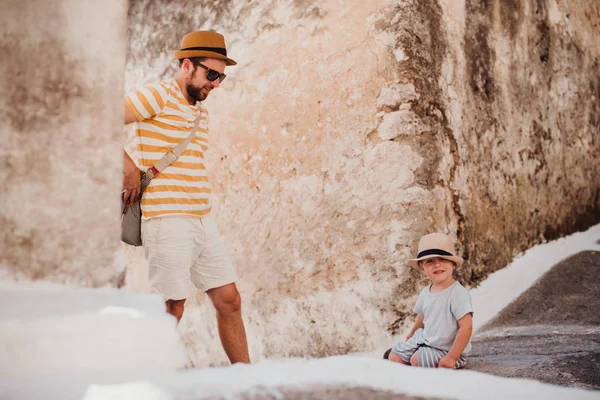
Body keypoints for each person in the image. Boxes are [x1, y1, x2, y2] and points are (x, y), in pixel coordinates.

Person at [122, 31, 250, 364]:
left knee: (229, 300)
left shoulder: (200, 111)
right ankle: (148, 378)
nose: (217, 83)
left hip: (202, 218)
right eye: (211, 74)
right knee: (171, 307)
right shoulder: (158, 95)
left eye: (221, 76)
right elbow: (99, 118)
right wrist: (128, 167)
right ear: (188, 65)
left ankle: (249, 379)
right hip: (167, 218)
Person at [384, 232, 473, 369]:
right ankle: (412, 362)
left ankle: (419, 366)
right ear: (422, 267)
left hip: (448, 349)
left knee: (416, 360)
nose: (437, 265)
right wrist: (412, 333)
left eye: (442, 259)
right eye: (430, 261)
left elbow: (466, 327)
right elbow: (422, 316)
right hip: (425, 340)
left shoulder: (457, 294)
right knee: (394, 357)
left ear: (453, 264)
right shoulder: (426, 292)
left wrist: (451, 357)